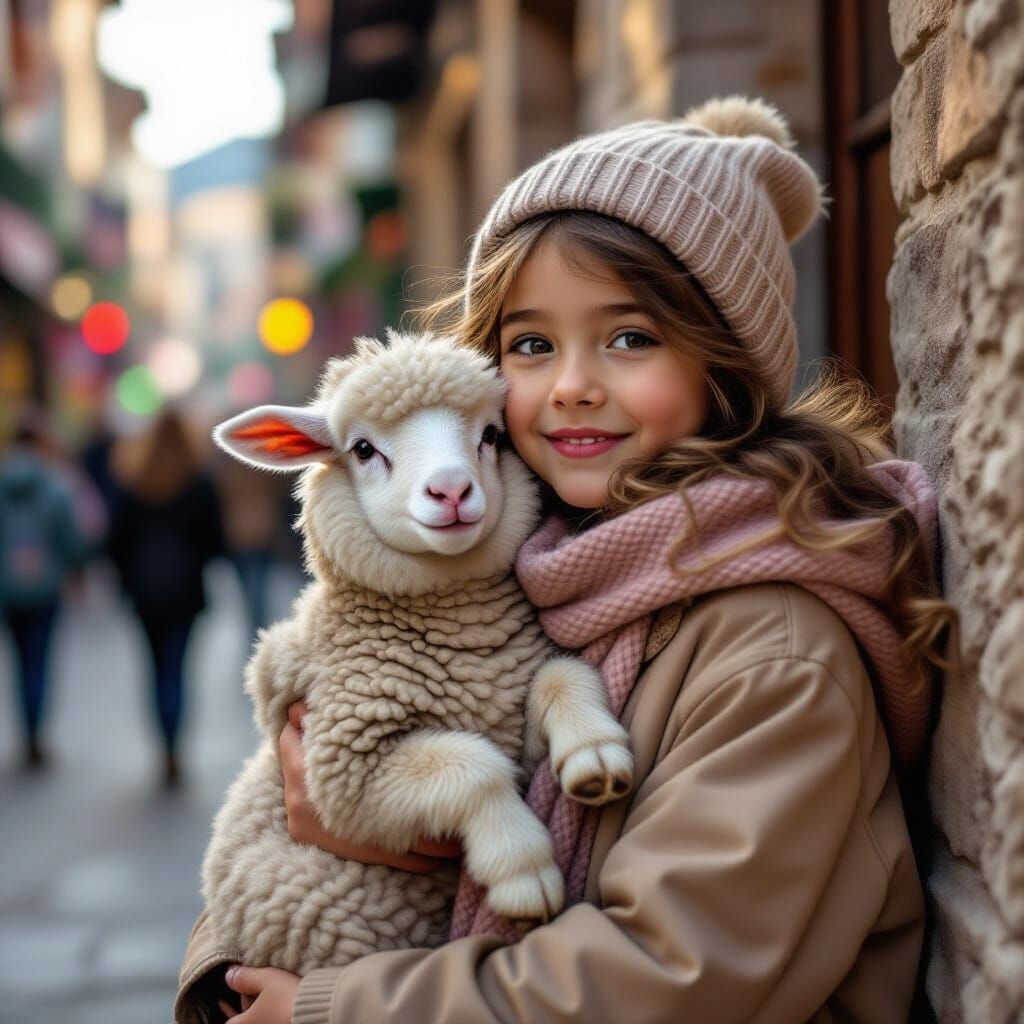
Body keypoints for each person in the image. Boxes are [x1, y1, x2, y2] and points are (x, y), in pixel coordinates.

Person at [175, 97, 957, 1023]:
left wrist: (333, 1008)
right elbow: (285, 810)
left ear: (727, 362)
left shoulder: (773, 648)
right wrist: (248, 943)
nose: (575, 386)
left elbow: (671, 975)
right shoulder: (520, 572)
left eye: (631, 338)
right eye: (532, 345)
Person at [109, 409, 226, 786]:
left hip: (146, 594)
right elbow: (215, 542)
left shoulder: (136, 480)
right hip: (186, 593)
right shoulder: (197, 482)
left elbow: (116, 542)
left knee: (155, 668)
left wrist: (127, 579)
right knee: (177, 669)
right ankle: (175, 747)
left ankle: (163, 745)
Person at [0, 409, 92, 768]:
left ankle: (25, 727)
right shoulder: (56, 485)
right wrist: (78, 569)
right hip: (45, 587)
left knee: (18, 658)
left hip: (8, 588)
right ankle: (35, 732)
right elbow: (71, 539)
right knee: (39, 660)